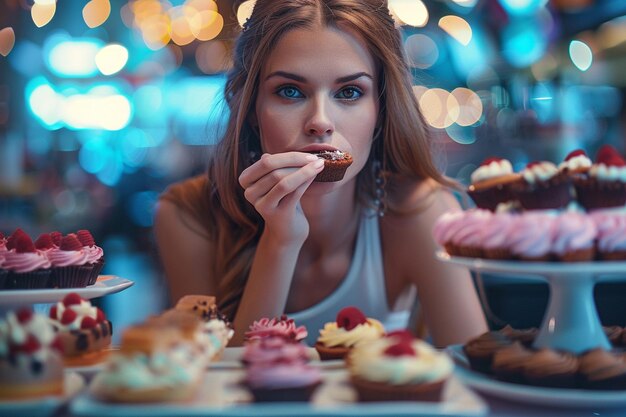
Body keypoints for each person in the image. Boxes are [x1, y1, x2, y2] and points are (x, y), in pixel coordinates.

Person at [154, 0, 487, 346]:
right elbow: (213, 391)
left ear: (381, 110)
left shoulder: (420, 211)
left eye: (349, 92)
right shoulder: (188, 215)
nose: (320, 122)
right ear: (253, 109)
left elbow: (476, 381)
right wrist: (280, 242)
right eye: (290, 91)